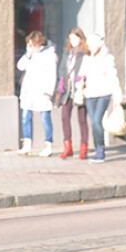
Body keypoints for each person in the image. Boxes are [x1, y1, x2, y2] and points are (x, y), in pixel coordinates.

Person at [80, 33, 122, 163]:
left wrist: (118, 95)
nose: (90, 46)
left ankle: (100, 151)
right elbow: (81, 75)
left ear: (98, 44)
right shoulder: (86, 58)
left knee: (97, 121)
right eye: (89, 44)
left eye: (92, 44)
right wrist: (79, 85)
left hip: (104, 93)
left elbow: (113, 76)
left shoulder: (108, 58)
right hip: (90, 94)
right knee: (93, 122)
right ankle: (98, 147)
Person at [16, 31, 57, 157]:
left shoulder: (48, 55)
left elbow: (52, 74)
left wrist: (49, 91)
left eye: (32, 44)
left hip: (42, 92)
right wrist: (28, 54)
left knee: (45, 118)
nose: (30, 46)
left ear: (38, 43)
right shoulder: (30, 55)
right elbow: (20, 66)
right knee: (26, 117)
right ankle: (27, 144)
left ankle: (48, 145)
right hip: (29, 92)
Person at [57, 27, 90, 159]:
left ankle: (84, 148)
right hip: (67, 89)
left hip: (79, 89)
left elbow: (87, 69)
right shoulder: (67, 53)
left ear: (81, 38)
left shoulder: (84, 53)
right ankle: (68, 147)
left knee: (82, 119)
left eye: (75, 38)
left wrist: (81, 78)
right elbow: (62, 68)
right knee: (65, 117)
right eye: (70, 38)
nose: (73, 41)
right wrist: (61, 82)